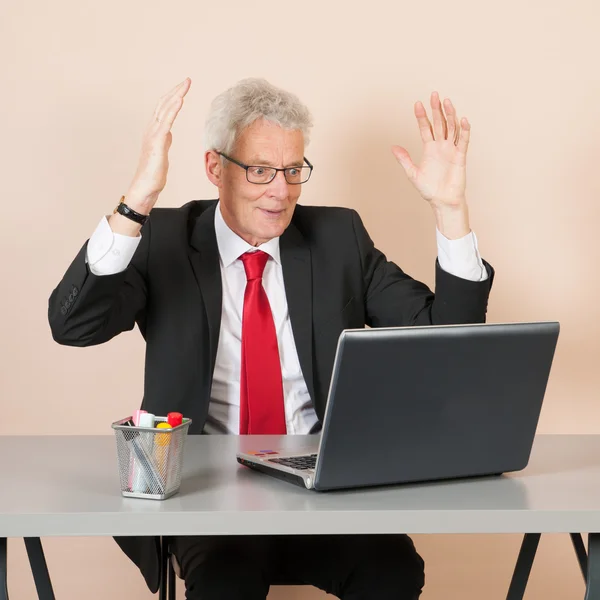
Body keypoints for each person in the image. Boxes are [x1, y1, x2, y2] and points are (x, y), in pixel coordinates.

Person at [48, 77, 494, 599]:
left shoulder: (338, 238)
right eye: (260, 170)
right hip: (204, 495)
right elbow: (73, 325)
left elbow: (447, 343)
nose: (280, 191)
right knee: (226, 583)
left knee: (392, 569)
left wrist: (450, 211)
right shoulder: (163, 239)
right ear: (216, 168)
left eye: (292, 171)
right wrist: (137, 202)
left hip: (320, 488)